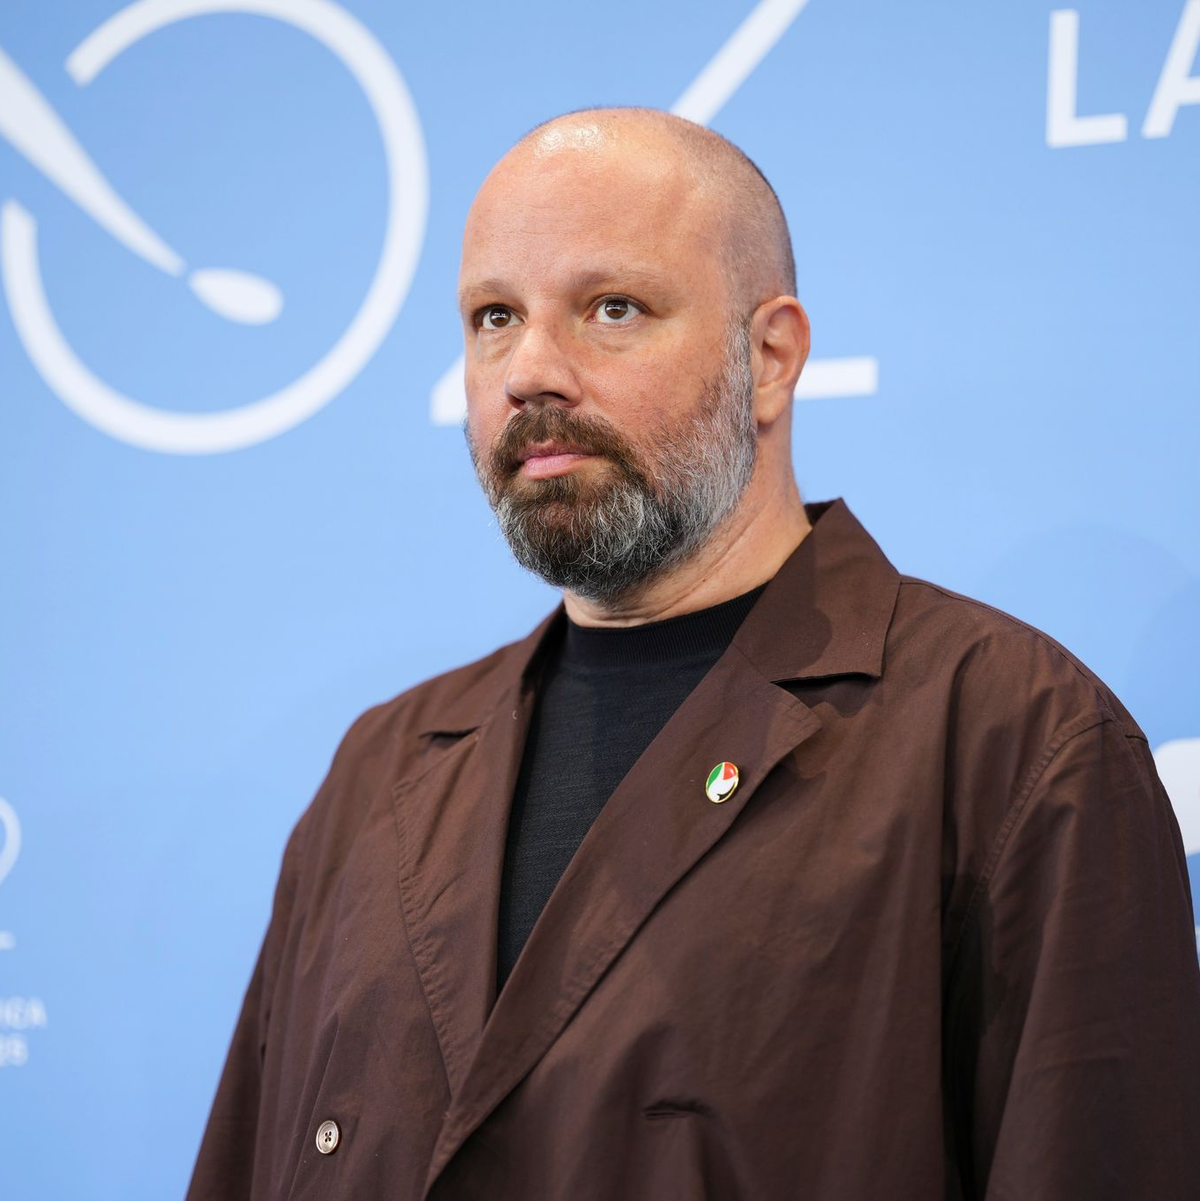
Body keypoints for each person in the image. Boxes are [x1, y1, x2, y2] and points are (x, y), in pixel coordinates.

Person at [186, 108, 1200, 1200]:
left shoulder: (1013, 742)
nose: (530, 370)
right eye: (494, 318)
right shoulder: (377, 776)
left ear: (770, 358)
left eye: (611, 308)